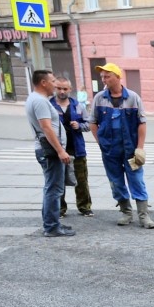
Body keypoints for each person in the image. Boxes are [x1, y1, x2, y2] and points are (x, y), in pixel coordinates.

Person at [89, 63, 154, 229]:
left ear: (118, 77)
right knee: (116, 182)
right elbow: (92, 122)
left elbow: (142, 123)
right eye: (102, 76)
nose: (104, 79)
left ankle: (143, 216)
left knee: (137, 181)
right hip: (110, 150)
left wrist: (140, 147)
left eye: (107, 76)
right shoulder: (99, 98)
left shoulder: (133, 98)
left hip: (130, 149)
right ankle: (126, 212)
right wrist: (101, 143)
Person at [26, 69, 75, 238]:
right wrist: (60, 150)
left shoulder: (37, 99)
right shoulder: (40, 101)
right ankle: (52, 227)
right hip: (50, 151)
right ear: (43, 83)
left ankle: (52, 223)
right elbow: (46, 127)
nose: (55, 85)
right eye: (53, 81)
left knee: (52, 188)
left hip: (47, 150)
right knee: (54, 189)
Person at [52, 77, 93, 219]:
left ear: (70, 89)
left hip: (77, 148)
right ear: (55, 88)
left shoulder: (77, 106)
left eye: (65, 89)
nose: (62, 91)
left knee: (81, 180)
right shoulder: (49, 105)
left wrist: (80, 126)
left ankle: (84, 207)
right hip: (57, 149)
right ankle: (60, 209)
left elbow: (89, 124)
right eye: (59, 88)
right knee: (58, 180)